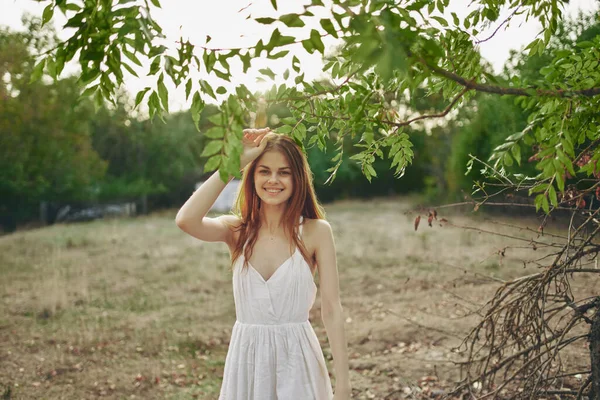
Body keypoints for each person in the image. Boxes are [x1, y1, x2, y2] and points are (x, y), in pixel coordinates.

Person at [175, 128, 350, 399]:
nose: (273, 180)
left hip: (298, 361)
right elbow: (186, 220)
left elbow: (332, 309)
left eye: (284, 172)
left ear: (297, 178)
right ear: (252, 176)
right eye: (264, 171)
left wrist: (343, 384)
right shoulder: (237, 230)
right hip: (247, 363)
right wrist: (233, 163)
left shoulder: (317, 231)